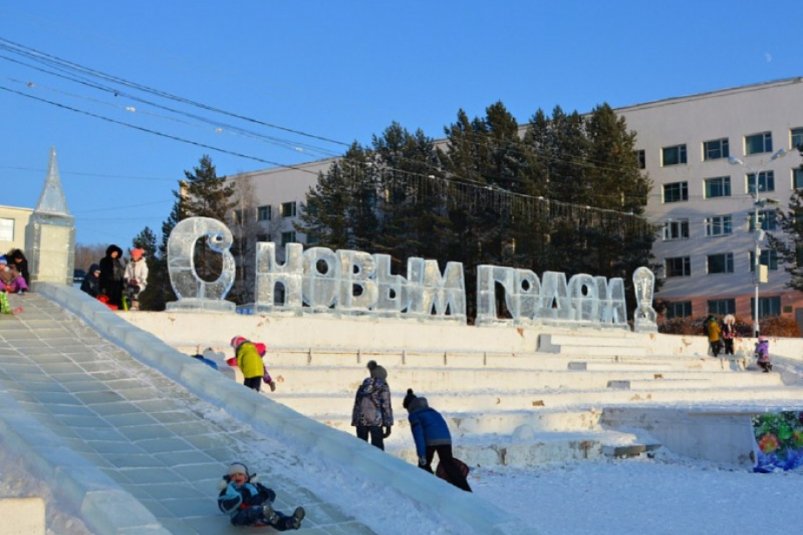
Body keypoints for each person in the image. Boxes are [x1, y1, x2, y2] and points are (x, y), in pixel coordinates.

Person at [402, 388, 471, 492]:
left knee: (424, 464)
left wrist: (421, 455)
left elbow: (419, 436)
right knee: (448, 464)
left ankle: (427, 488)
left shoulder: (414, 415)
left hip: (431, 440)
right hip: (446, 439)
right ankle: (465, 489)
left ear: (409, 406)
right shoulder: (433, 411)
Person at [217, 462, 305, 530]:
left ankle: (290, 522)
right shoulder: (228, 491)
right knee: (255, 510)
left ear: (246, 477)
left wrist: (262, 496)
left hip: (261, 515)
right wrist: (240, 498)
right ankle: (269, 516)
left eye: (240, 474)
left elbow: (271, 494)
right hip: (240, 517)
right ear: (229, 479)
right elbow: (223, 506)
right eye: (233, 475)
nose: (237, 476)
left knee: (276, 514)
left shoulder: (255, 486)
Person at [351, 360, 393, 450]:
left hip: (361, 420)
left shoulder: (363, 386)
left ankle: (360, 463)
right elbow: (386, 406)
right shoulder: (383, 386)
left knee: (361, 448)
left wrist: (355, 421)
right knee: (377, 450)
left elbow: (357, 404)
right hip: (376, 421)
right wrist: (388, 425)